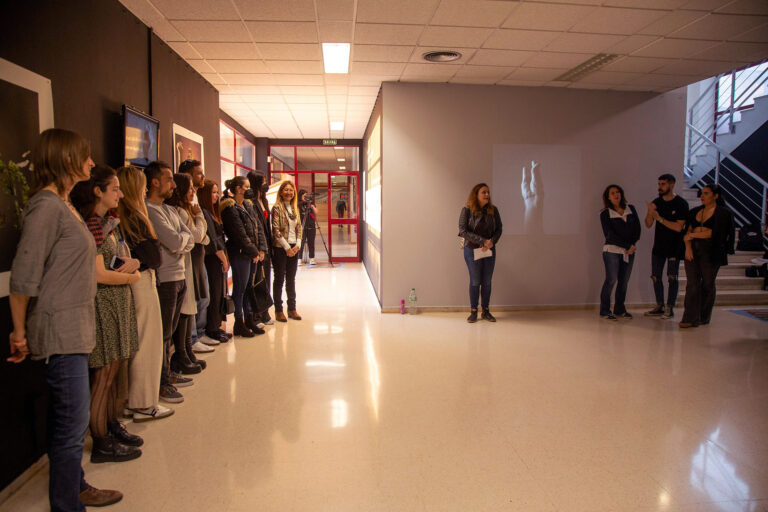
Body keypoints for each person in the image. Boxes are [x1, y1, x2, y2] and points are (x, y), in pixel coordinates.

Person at [8, 128, 123, 510]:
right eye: (84, 157)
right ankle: (67, 503)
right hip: (59, 328)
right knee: (72, 422)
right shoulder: (45, 205)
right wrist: (19, 332)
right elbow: (24, 273)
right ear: (65, 160)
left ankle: (76, 485)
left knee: (69, 419)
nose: (91, 163)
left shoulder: (64, 204)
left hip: (76, 325)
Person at [70, 165, 142, 463]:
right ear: (98, 191)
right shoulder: (89, 225)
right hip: (102, 305)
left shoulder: (106, 223)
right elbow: (99, 275)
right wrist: (131, 276)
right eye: (115, 189)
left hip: (115, 303)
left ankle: (111, 426)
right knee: (103, 376)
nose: (120, 194)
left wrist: (133, 263)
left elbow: (119, 260)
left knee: (113, 374)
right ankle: (100, 441)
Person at [116, 166, 174, 422]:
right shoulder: (135, 217)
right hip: (141, 283)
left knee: (144, 342)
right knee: (147, 343)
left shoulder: (129, 216)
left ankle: (138, 399)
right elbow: (153, 256)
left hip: (140, 280)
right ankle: (143, 403)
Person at [144, 161, 195, 403]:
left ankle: (168, 375)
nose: (174, 185)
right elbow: (177, 242)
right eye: (168, 179)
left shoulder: (170, 210)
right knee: (163, 334)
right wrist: (182, 240)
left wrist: (182, 239)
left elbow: (189, 237)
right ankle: (162, 384)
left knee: (171, 333)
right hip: (165, 280)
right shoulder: (150, 210)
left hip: (179, 276)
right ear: (154, 182)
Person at [166, 172, 211, 372]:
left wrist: (197, 236)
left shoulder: (184, 211)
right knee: (185, 309)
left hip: (188, 263)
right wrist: (199, 216)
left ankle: (186, 352)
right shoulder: (181, 211)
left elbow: (200, 238)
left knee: (189, 307)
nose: (194, 191)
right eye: (191, 187)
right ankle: (183, 354)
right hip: (182, 265)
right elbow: (196, 236)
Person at [680, 184, 734, 328]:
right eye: (702, 193)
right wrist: (688, 247)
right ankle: (690, 317)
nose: (702, 196)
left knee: (708, 284)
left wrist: (693, 234)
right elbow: (687, 233)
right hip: (693, 250)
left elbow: (714, 233)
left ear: (715, 196)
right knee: (692, 284)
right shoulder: (694, 212)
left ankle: (703, 316)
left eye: (706, 193)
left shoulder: (723, 213)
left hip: (712, 252)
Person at [220, 176, 267, 336]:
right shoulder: (230, 208)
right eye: (246, 186)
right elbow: (239, 234)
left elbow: (258, 228)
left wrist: (261, 250)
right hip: (241, 254)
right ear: (239, 189)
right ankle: (239, 322)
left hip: (252, 254)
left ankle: (249, 319)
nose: (249, 189)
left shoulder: (248, 205)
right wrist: (253, 251)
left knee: (249, 287)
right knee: (240, 288)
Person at [178, 159, 214, 352]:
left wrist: (202, 237)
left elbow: (203, 236)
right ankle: (192, 338)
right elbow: (197, 235)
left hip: (198, 254)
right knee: (192, 300)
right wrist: (201, 235)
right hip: (189, 257)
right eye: (199, 173)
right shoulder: (183, 206)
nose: (203, 177)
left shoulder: (196, 199)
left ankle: (199, 333)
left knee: (203, 297)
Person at [644, 174, 689, 320]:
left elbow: (678, 227)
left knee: (672, 277)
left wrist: (660, 219)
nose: (660, 187)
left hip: (674, 247)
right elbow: (648, 224)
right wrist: (650, 212)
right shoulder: (657, 202)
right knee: (656, 276)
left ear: (671, 185)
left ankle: (670, 307)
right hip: (659, 246)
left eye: (663, 184)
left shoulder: (681, 203)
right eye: (659, 184)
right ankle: (660, 305)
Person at [458, 183, 503, 323]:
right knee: (475, 281)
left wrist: (492, 241)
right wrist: (483, 241)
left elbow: (499, 229)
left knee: (487, 282)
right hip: (472, 250)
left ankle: (486, 311)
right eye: (483, 192)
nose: (487, 195)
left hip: (489, 250)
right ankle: (473, 312)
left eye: (488, 192)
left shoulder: (493, 210)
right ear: (476, 195)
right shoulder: (467, 210)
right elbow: (463, 231)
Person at [198, 179, 232, 343]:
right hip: (212, 258)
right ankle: (211, 328)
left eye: (217, 192)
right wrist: (224, 259)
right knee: (214, 292)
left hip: (219, 257)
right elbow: (213, 239)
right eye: (213, 192)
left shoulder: (213, 212)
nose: (216, 195)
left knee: (219, 292)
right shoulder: (204, 212)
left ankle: (217, 326)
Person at [599, 184, 641, 321]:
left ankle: (619, 309)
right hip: (612, 250)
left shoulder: (631, 209)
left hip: (629, 251)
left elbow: (637, 229)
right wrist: (627, 245)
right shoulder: (605, 214)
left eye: (618, 192)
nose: (616, 195)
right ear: (608, 197)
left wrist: (632, 245)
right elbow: (609, 235)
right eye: (612, 193)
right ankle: (605, 310)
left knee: (624, 281)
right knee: (611, 280)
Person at [272, 180, 303, 322]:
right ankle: (278, 310)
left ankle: (292, 309)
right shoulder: (277, 208)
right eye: (286, 190)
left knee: (291, 280)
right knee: (279, 279)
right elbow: (275, 230)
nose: (289, 192)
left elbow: (299, 228)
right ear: (281, 192)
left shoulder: (294, 208)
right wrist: (287, 248)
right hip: (281, 248)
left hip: (293, 248)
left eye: (291, 190)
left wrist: (297, 245)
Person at [247, 171, 275, 325]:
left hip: (266, 246)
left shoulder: (263, 200)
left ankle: (265, 312)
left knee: (266, 279)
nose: (266, 183)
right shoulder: (251, 201)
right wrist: (259, 248)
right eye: (263, 181)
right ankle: (255, 315)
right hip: (257, 247)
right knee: (256, 280)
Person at [299, 188, 318, 265]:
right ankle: (299, 259)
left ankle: (312, 258)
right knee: (301, 242)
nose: (306, 198)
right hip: (302, 226)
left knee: (311, 242)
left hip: (311, 226)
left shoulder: (310, 203)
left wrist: (311, 205)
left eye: (307, 196)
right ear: (300, 196)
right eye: (304, 196)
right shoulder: (298, 204)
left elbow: (316, 212)